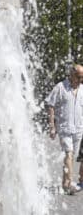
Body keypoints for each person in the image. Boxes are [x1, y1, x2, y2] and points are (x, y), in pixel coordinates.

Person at [46, 64, 83, 195]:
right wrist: (52, 125)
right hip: (65, 129)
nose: (81, 80)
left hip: (78, 130)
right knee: (68, 153)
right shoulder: (61, 87)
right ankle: (70, 184)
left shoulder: (82, 89)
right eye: (79, 77)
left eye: (82, 77)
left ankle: (65, 183)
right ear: (72, 75)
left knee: (71, 157)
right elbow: (50, 104)